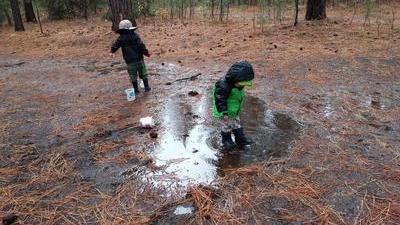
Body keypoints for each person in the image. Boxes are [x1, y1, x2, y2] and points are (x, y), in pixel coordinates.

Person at [212, 61, 254, 150]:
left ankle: (240, 140)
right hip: (225, 112)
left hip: (234, 111)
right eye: (241, 83)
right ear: (234, 79)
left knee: (237, 124)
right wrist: (224, 112)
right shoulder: (223, 85)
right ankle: (226, 140)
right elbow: (220, 99)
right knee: (226, 126)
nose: (243, 86)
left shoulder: (238, 85)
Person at [110, 20, 151, 93]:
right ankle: (147, 87)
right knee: (143, 73)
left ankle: (136, 90)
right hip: (139, 59)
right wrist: (146, 53)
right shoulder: (135, 36)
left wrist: (112, 51)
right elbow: (141, 46)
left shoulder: (121, 38)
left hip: (129, 61)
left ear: (121, 29)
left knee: (133, 76)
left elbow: (115, 46)